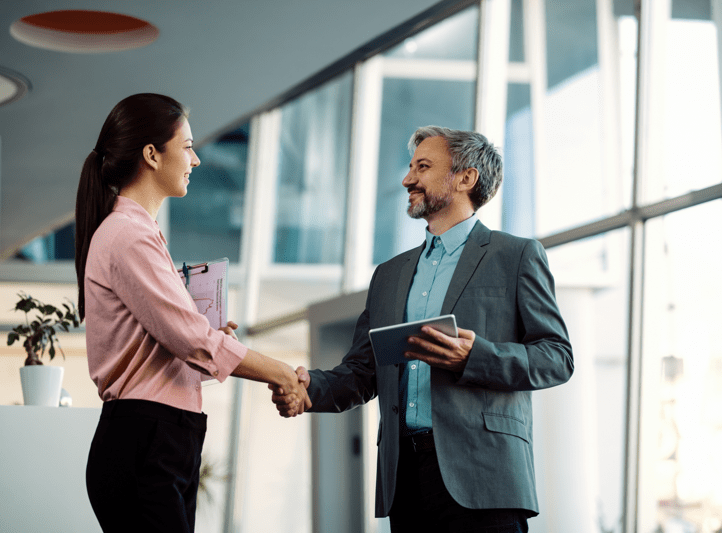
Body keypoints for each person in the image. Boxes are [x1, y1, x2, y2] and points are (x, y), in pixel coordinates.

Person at [272, 126, 574, 532]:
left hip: (486, 477)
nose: (407, 179)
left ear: (466, 178)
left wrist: (475, 356)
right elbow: (363, 371)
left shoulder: (515, 256)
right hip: (406, 479)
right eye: (411, 167)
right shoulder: (389, 275)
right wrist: (307, 390)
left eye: (423, 167)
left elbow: (556, 357)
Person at [75, 93, 310, 533]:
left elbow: (180, 346)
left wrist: (210, 337)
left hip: (160, 437)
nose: (196, 159)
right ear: (151, 154)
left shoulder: (138, 233)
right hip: (146, 440)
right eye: (186, 146)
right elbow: (194, 342)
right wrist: (280, 373)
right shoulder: (128, 236)